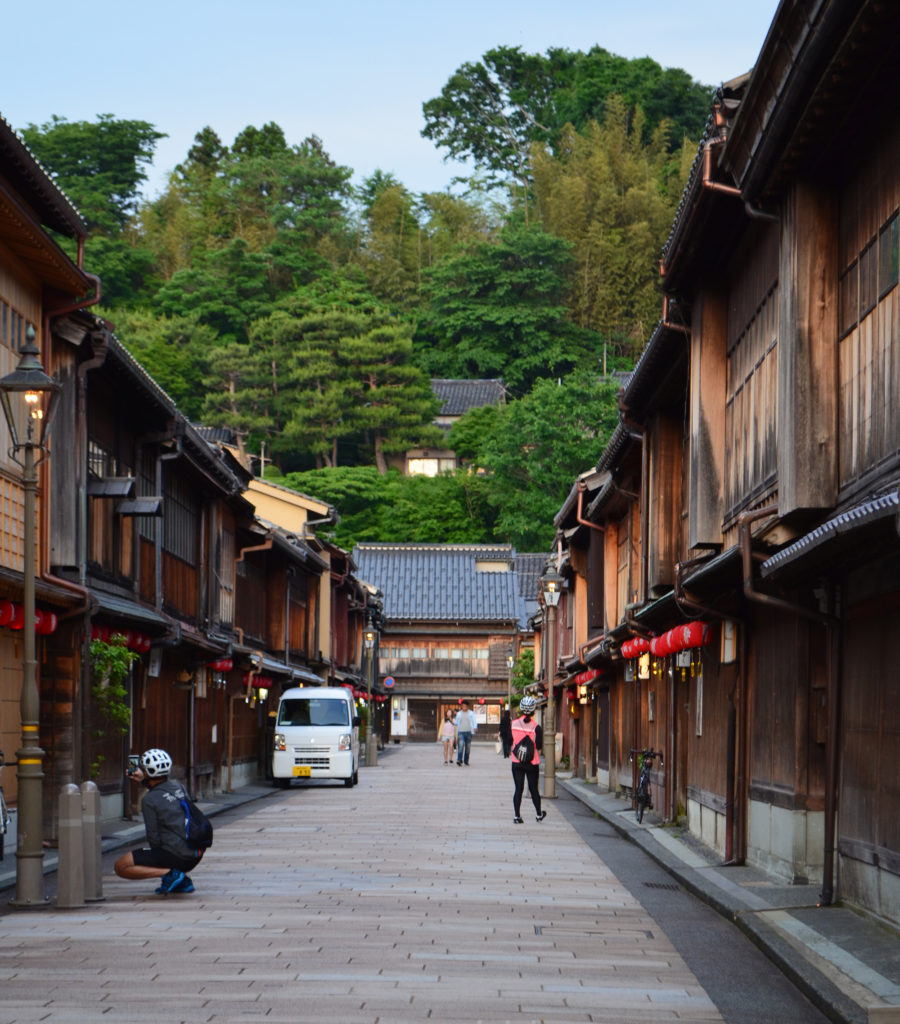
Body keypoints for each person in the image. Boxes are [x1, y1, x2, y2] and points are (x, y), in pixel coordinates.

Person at [114, 748, 204, 894]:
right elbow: (162, 791)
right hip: (195, 853)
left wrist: (154, 857)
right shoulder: (179, 786)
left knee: (121, 866)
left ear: (147, 772)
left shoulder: (149, 800)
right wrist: (144, 780)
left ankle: (170, 874)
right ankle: (182, 882)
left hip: (176, 855)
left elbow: (153, 837)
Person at [510, 695, 547, 823]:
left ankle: (517, 816)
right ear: (533, 711)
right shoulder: (536, 727)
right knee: (533, 788)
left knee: (518, 788)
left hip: (516, 761)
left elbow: (510, 741)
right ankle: (538, 814)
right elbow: (540, 745)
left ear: (521, 709)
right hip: (532, 762)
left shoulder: (513, 724)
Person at [454, 700, 477, 766]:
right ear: (461, 706)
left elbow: (474, 721)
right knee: (460, 746)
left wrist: (475, 727)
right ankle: (459, 759)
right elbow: (456, 722)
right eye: (463, 706)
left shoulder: (471, 713)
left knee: (467, 748)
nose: (464, 707)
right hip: (461, 732)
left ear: (467, 706)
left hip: (469, 732)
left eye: (465, 706)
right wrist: (454, 722)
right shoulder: (459, 714)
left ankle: (466, 760)